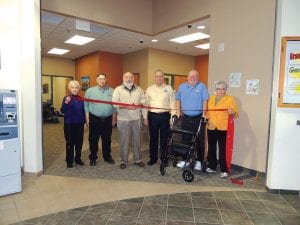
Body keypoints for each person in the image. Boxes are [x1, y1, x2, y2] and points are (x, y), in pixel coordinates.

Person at [112, 72, 147, 169]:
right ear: (123, 78)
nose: (129, 79)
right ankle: (123, 160)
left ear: (133, 79)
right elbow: (114, 103)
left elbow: (144, 103)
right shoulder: (118, 89)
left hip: (136, 119)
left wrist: (143, 114)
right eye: (126, 77)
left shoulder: (139, 90)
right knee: (124, 141)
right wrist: (126, 106)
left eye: (131, 77)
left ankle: (138, 159)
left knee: (137, 140)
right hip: (123, 120)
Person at [175, 69, 209, 170]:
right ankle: (186, 160)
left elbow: (205, 100)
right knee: (185, 139)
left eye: (195, 76)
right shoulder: (182, 87)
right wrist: (178, 112)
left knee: (199, 140)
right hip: (185, 117)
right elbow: (177, 100)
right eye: (191, 76)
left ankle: (199, 161)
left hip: (198, 118)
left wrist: (203, 114)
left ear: (198, 78)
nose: (192, 78)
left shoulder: (202, 86)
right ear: (187, 77)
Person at [206, 81, 239, 178]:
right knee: (211, 148)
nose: (221, 91)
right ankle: (212, 166)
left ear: (226, 90)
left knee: (222, 149)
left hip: (223, 128)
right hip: (211, 126)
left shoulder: (230, 99)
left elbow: (236, 113)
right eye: (219, 88)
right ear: (215, 89)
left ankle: (224, 169)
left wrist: (232, 112)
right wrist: (206, 118)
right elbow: (208, 111)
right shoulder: (211, 98)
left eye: (223, 89)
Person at [84, 73, 116, 166]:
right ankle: (93, 157)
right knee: (93, 140)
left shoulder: (112, 90)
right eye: (100, 79)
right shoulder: (89, 91)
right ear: (96, 80)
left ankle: (107, 157)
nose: (102, 81)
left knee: (107, 139)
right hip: (94, 119)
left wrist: (114, 118)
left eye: (103, 79)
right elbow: (86, 106)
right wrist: (87, 119)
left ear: (106, 80)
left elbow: (114, 106)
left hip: (108, 119)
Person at [145, 70, 175, 165]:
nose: (159, 78)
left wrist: (172, 118)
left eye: (161, 76)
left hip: (165, 116)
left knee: (164, 139)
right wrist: (145, 117)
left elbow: (173, 104)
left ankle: (163, 158)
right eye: (157, 76)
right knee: (153, 138)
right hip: (152, 116)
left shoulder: (169, 88)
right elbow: (145, 104)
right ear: (155, 77)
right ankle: (153, 158)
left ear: (163, 77)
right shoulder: (149, 89)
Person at [60, 80, 86, 168]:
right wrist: (66, 102)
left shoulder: (81, 99)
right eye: (72, 87)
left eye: (76, 87)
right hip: (69, 124)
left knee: (79, 143)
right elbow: (62, 111)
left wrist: (85, 122)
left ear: (78, 89)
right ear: (69, 88)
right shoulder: (66, 98)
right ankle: (69, 160)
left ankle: (78, 159)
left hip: (80, 124)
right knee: (70, 143)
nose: (74, 89)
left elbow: (83, 112)